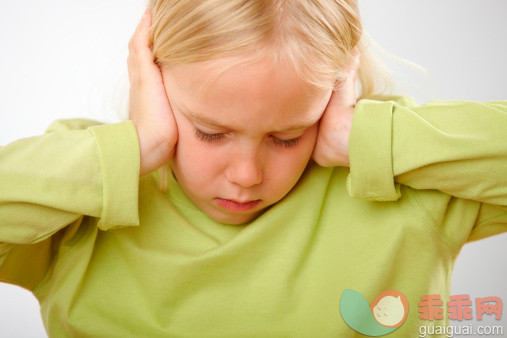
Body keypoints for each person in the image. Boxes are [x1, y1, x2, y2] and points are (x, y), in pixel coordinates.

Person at [0, 0, 505, 336]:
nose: (247, 175)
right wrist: (135, 147)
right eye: (210, 132)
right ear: (150, 80)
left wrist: (363, 138)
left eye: (287, 136)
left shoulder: (404, 180)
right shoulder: (78, 193)